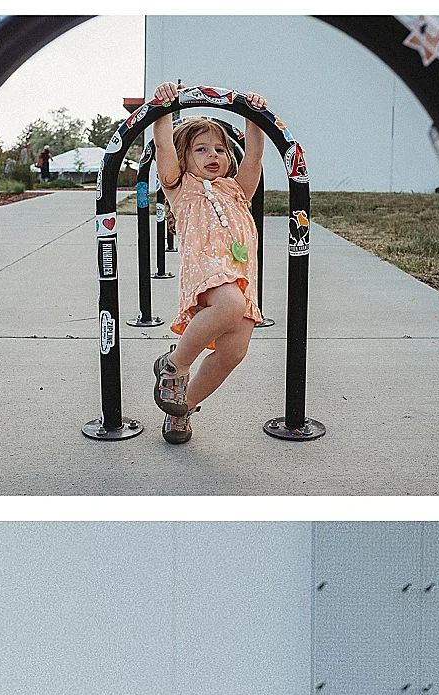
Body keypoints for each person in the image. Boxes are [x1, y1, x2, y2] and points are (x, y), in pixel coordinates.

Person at [148, 83, 268, 444]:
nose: (212, 155)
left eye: (219, 149)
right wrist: (164, 108)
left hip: (242, 277)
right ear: (185, 158)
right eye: (201, 149)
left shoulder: (237, 190)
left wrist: (254, 118)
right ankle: (175, 365)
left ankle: (182, 409)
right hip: (207, 275)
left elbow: (255, 157)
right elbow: (163, 145)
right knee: (229, 303)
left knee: (233, 352)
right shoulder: (180, 186)